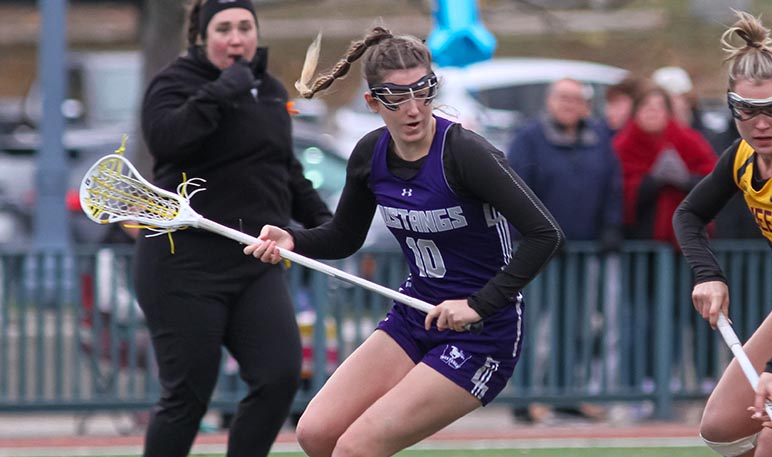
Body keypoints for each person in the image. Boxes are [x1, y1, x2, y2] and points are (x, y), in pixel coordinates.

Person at [244, 26, 564, 457]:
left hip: (482, 332)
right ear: (373, 102)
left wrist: (477, 305)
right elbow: (344, 236)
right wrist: (293, 240)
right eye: (396, 97)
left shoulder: (466, 153)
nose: (414, 109)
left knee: (356, 447)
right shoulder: (369, 154)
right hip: (414, 316)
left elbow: (546, 234)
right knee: (315, 433)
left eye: (423, 91)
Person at [134, 1, 333, 456]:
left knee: (280, 376)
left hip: (253, 259)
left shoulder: (270, 90)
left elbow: (282, 167)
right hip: (182, 264)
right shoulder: (173, 84)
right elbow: (166, 139)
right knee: (188, 394)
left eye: (245, 27)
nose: (237, 38)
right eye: (224, 28)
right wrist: (223, 90)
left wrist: (325, 224)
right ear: (203, 37)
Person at [673, 10, 772, 457]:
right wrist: (707, 273)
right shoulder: (741, 157)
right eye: (747, 109)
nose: (761, 123)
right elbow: (689, 214)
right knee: (722, 430)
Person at [506, 77, 622, 423]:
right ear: (549, 101)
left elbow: (612, 186)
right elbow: (516, 189)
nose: (569, 105)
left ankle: (566, 393)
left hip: (583, 249)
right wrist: (537, 234)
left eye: (576, 99)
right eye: (563, 98)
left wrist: (611, 227)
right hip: (538, 250)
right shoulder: (530, 138)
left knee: (575, 326)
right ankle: (525, 397)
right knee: (531, 323)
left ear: (586, 105)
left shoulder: (598, 138)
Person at [614, 85, 717, 245]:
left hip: (686, 239)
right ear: (635, 112)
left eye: (659, 107)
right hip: (638, 239)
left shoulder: (690, 141)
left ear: (669, 112)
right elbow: (617, 193)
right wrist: (652, 181)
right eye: (646, 106)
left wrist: (685, 180)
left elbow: (713, 182)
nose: (652, 112)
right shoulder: (622, 146)